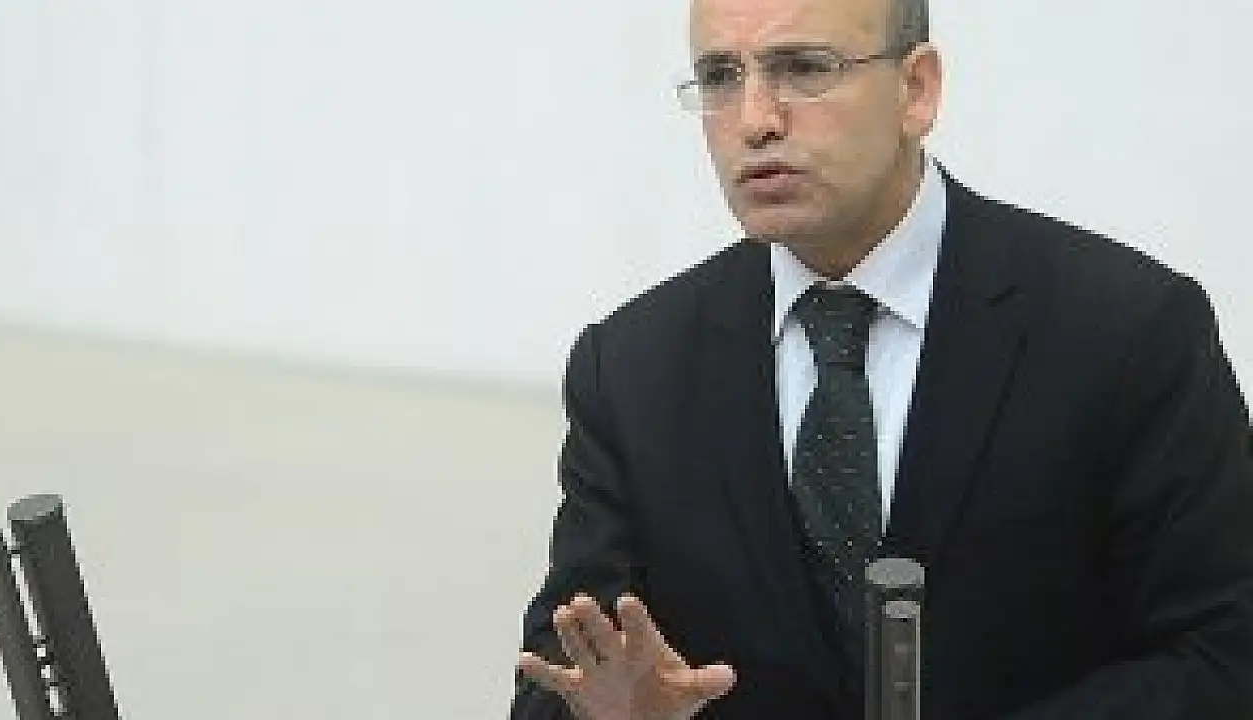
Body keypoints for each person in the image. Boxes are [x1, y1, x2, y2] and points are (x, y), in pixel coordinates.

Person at [508, 0, 1253, 717]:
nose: (756, 120)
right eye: (720, 77)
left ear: (916, 89)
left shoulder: (1125, 330)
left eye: (804, 68)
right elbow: (558, 676)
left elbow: (1224, 659)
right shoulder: (634, 368)